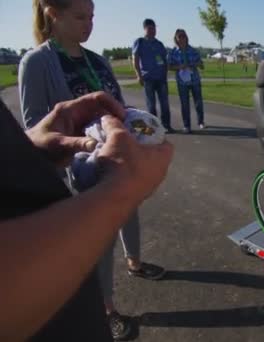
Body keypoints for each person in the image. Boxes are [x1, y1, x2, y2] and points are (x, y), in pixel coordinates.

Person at [19, 1, 167, 339]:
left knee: (129, 210)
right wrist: (80, 145)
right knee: (99, 240)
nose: (89, 24)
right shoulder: (37, 62)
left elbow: (117, 105)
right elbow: (35, 130)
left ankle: (136, 262)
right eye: (80, 17)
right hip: (80, 172)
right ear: (52, 14)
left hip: (118, 160)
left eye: (93, 17)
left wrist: (140, 125)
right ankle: (106, 309)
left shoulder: (96, 60)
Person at [0, 92, 173, 342]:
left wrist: (29, 151)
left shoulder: (96, 61)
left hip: (67, 307)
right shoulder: (38, 61)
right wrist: (120, 193)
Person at [132, 18, 174, 133]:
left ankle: (166, 125)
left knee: (165, 103)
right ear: (144, 29)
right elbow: (135, 59)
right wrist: (138, 75)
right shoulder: (140, 42)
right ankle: (155, 127)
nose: (152, 31)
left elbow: (164, 60)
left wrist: (165, 75)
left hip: (161, 78)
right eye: (149, 28)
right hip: (148, 78)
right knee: (151, 105)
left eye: (154, 28)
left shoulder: (159, 44)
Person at [167, 28, 205, 134]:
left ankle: (201, 121)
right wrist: (179, 67)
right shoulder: (173, 52)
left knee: (198, 102)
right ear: (176, 39)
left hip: (195, 80)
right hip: (182, 82)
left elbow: (201, 64)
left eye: (184, 36)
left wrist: (195, 64)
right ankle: (186, 125)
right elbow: (169, 66)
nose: (182, 38)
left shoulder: (193, 50)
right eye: (180, 36)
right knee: (184, 104)